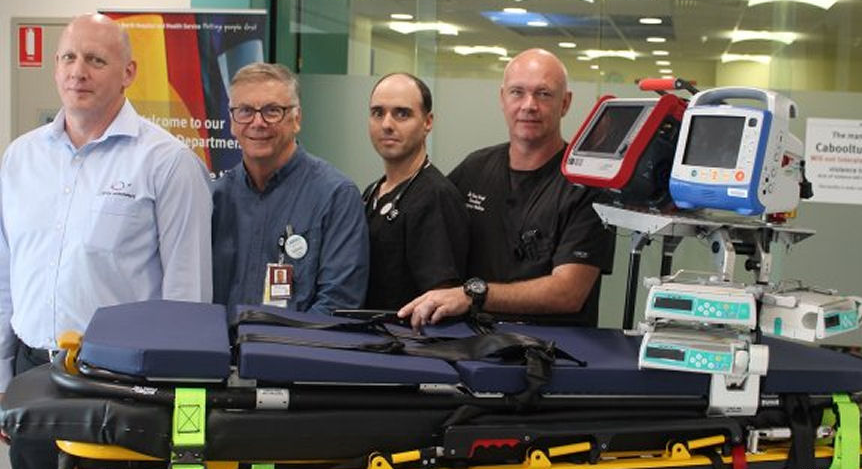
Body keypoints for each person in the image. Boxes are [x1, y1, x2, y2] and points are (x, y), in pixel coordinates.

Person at [0, 13, 213, 469]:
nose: (79, 72)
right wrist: (3, 379)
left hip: (120, 385)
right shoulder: (19, 159)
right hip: (33, 374)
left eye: (96, 60)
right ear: (55, 67)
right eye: (69, 58)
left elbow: (187, 298)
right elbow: (5, 278)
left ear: (129, 73)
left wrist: (178, 411)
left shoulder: (168, 163)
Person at [399, 48, 615, 329]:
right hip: (472, 346)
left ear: (565, 103)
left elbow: (569, 292)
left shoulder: (587, 186)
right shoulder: (475, 169)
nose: (529, 105)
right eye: (517, 92)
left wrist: (472, 295)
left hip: (553, 355)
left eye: (543, 93)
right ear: (502, 98)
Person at [212, 63, 368, 313]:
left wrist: (272, 348)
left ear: (297, 119)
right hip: (219, 349)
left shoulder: (336, 196)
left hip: (294, 350)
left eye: (273, 111)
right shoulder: (214, 198)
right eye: (245, 111)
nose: (258, 122)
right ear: (231, 121)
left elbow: (338, 304)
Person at [363, 73, 468, 310]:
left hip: (408, 341)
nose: (387, 124)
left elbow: (440, 300)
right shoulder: (372, 192)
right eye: (378, 113)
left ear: (427, 122)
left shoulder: (435, 197)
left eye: (402, 114)